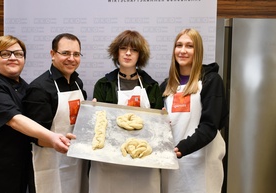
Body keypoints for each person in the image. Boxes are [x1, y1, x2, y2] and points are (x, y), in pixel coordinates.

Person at [0, 35, 75, 193]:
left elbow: (34, 134)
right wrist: (53, 137)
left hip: (16, 170)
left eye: (18, 54)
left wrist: (63, 142)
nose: (13, 58)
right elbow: (14, 120)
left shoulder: (26, 88)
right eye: (5, 54)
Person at [90, 30, 163, 193]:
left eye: (134, 49)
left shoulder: (152, 86)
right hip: (110, 159)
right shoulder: (103, 85)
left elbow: (157, 126)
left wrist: (163, 120)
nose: (128, 53)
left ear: (140, 55)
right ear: (117, 52)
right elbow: (100, 125)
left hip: (143, 158)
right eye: (124, 48)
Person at [159, 28, 229, 193]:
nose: (182, 51)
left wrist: (183, 148)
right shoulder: (166, 86)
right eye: (179, 45)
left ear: (198, 51)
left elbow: (210, 125)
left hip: (201, 163)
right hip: (172, 162)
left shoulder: (211, 81)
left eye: (189, 46)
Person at [22, 33, 88, 193]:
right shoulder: (39, 89)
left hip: (76, 160)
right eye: (65, 53)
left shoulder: (77, 83)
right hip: (50, 162)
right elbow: (35, 137)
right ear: (53, 54)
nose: (71, 59)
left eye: (76, 54)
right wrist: (60, 142)